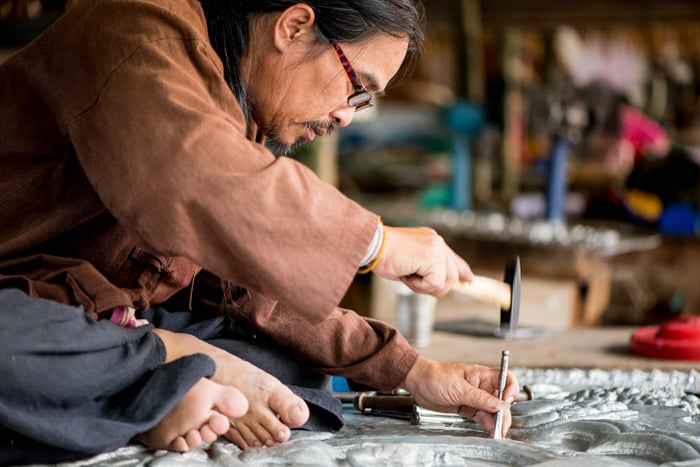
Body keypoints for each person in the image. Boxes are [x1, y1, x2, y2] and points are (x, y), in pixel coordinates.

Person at [0, 0, 520, 464]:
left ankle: (149, 382)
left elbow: (240, 291)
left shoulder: (231, 100)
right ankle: (167, 365)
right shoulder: (134, 25)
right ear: (294, 26)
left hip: (97, 319)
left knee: (289, 374)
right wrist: (376, 243)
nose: (346, 115)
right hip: (22, 310)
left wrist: (410, 370)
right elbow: (190, 176)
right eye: (356, 87)